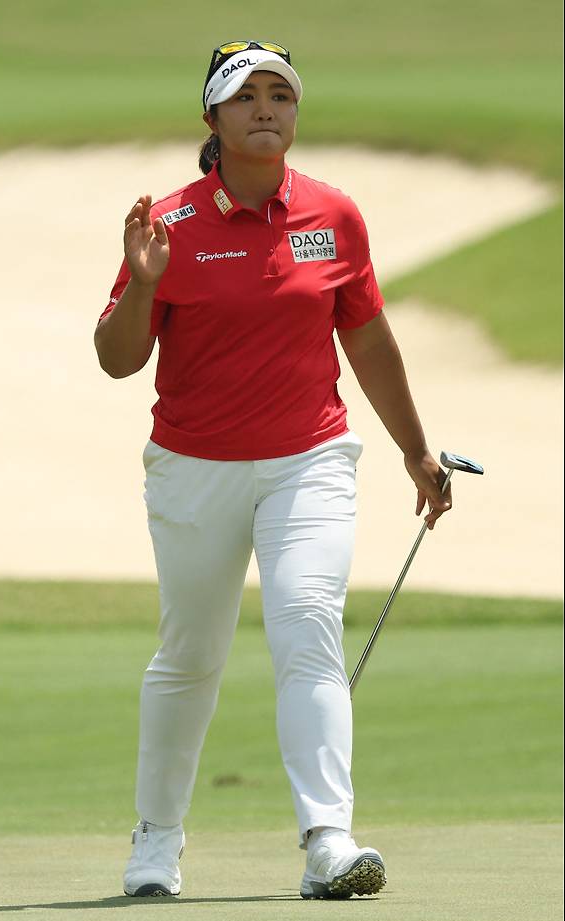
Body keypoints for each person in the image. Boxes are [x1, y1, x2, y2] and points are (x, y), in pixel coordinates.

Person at [94, 40, 452, 901]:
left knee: (306, 629)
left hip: (310, 460)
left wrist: (414, 447)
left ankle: (330, 839)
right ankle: (157, 840)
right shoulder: (168, 224)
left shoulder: (334, 214)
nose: (266, 109)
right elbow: (116, 358)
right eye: (246, 96)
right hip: (193, 465)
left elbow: (365, 337)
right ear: (212, 119)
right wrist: (143, 285)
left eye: (280, 95)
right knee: (190, 654)